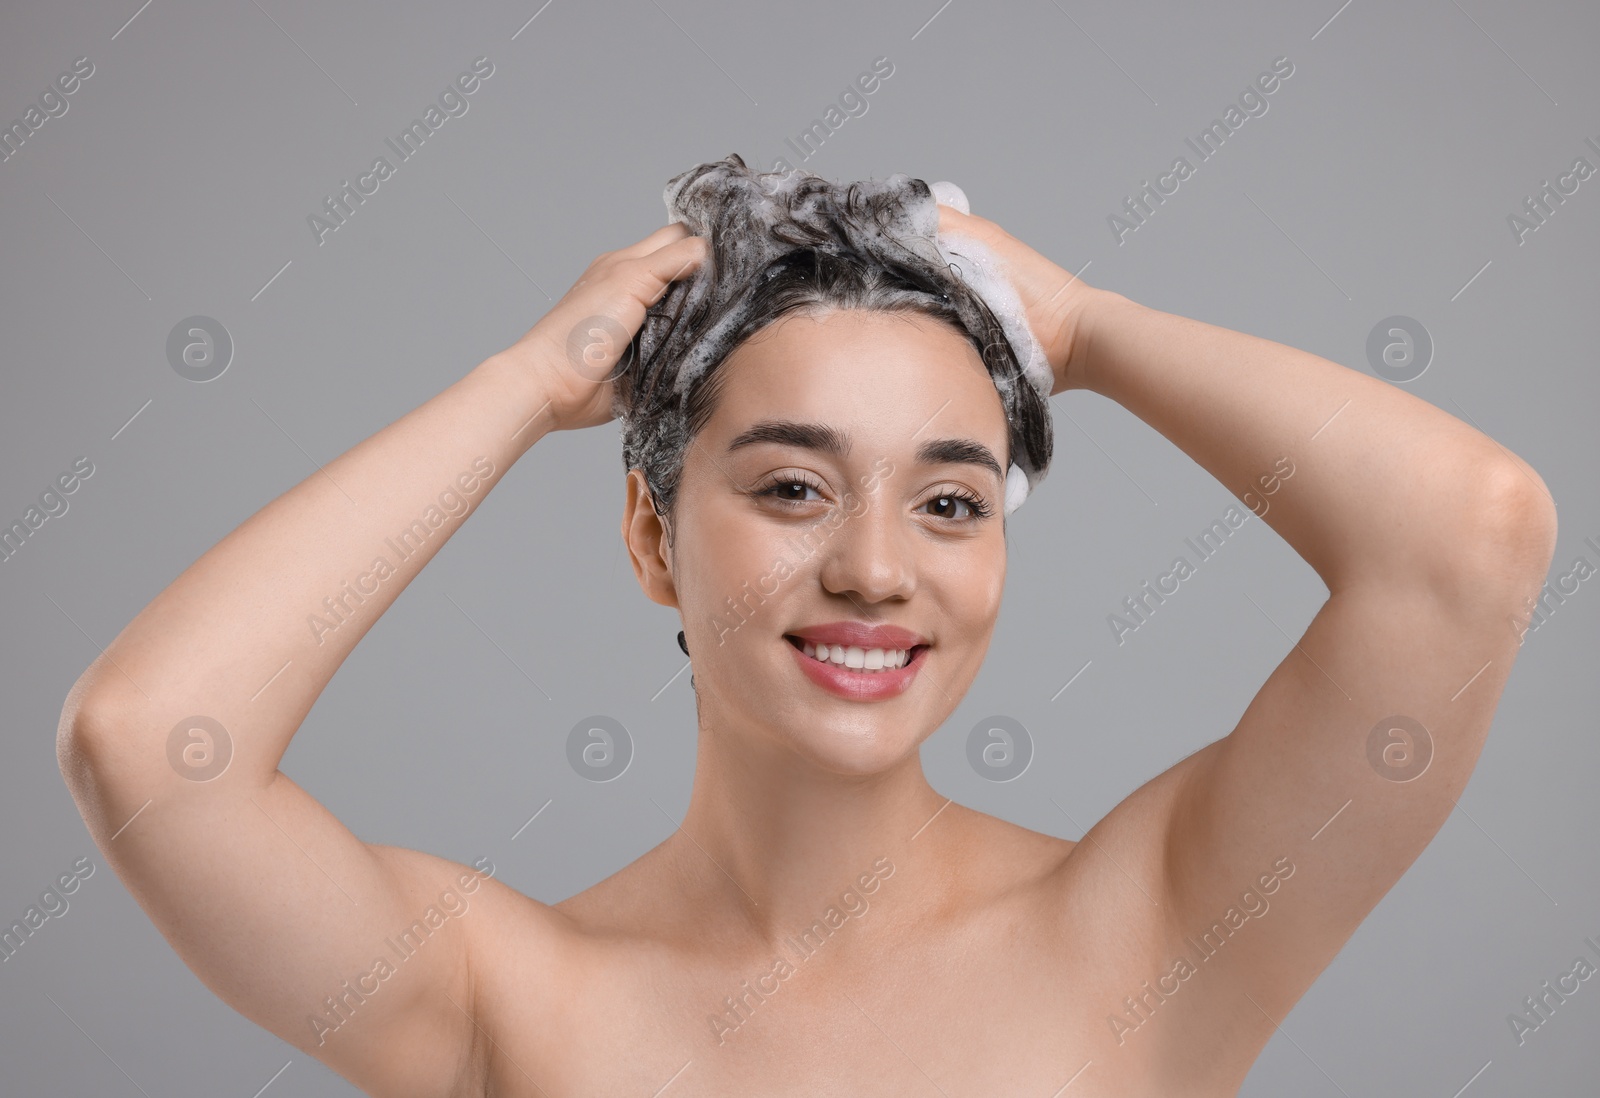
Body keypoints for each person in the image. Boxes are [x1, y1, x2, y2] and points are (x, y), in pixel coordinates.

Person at [57, 159, 1557, 1096]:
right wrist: (524, 384)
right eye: (791, 485)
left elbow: (1468, 538)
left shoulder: (1153, 930)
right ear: (653, 536)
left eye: (952, 503)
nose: (875, 568)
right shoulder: (506, 1003)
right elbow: (149, 746)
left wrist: (1086, 328)